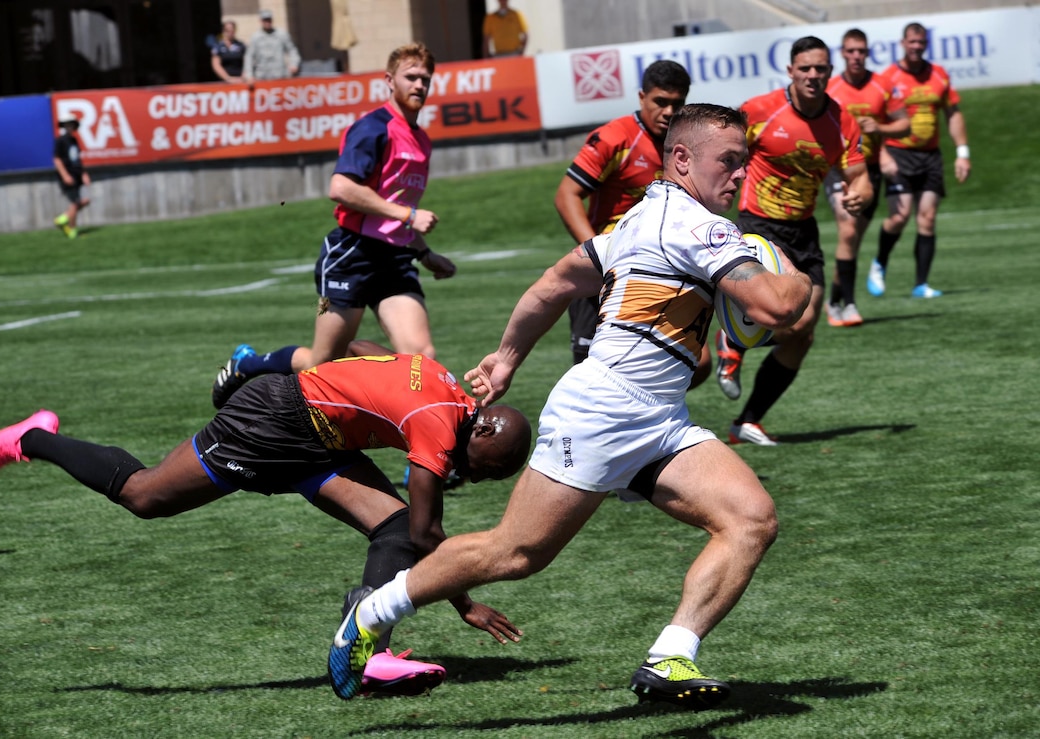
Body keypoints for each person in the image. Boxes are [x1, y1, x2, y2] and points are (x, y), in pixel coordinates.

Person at [327, 104, 813, 707]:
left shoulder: (643, 217)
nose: (741, 176)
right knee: (515, 552)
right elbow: (776, 307)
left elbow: (557, 282)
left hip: (658, 417)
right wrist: (794, 268)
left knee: (750, 518)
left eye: (744, 163)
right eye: (730, 162)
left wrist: (507, 357)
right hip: (605, 412)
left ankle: (670, 659)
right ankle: (368, 615)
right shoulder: (699, 227)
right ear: (682, 159)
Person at [0, 344, 532, 697]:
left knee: (390, 526)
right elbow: (428, 535)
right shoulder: (438, 427)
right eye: (485, 469)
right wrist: (466, 602)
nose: (473, 476)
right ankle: (33, 437)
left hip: (320, 438)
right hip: (271, 422)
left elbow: (365, 350)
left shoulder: (443, 383)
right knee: (146, 496)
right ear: (482, 430)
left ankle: (372, 648)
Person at [212, 43, 456, 410]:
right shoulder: (373, 128)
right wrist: (408, 217)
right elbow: (340, 188)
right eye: (411, 77)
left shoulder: (421, 139)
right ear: (389, 80)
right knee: (321, 363)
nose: (419, 85)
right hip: (349, 256)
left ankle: (419, 461)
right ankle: (247, 364)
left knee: (420, 357)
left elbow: (394, 205)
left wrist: (423, 251)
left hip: (395, 259)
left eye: (426, 78)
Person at [715, 36, 871, 446]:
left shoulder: (842, 120)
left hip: (803, 229)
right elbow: (723, 151)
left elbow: (860, 177)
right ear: (791, 71)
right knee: (777, 313)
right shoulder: (761, 110)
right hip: (759, 225)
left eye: (821, 68)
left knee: (803, 330)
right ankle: (732, 339)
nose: (813, 76)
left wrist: (862, 193)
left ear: (830, 72)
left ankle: (746, 420)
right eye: (805, 68)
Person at [555, 59, 703, 377]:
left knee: (696, 364)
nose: (668, 112)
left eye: (676, 104)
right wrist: (597, 256)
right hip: (604, 272)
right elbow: (566, 196)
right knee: (590, 371)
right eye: (660, 102)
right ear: (641, 97)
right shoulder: (614, 138)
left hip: (657, 272)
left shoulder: (687, 145)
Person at [867, 22, 971, 299]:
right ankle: (880, 263)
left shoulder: (938, 74)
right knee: (899, 218)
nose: (916, 46)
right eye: (911, 42)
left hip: (931, 156)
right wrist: (883, 154)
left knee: (927, 218)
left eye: (921, 42)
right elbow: (875, 123)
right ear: (903, 43)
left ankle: (921, 284)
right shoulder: (888, 78)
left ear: (926, 44)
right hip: (898, 154)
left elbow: (953, 114)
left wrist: (962, 152)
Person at [823, 28, 910, 327]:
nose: (856, 56)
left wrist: (880, 130)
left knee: (853, 240)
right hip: (839, 170)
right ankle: (848, 305)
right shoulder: (831, 88)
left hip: (868, 171)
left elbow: (905, 126)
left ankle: (833, 300)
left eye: (861, 50)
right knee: (848, 232)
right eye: (851, 51)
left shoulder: (883, 86)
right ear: (843, 53)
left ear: (867, 53)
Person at [52, 118, 90, 239]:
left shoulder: (74, 140)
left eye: (72, 125)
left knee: (84, 201)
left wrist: (83, 174)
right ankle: (72, 231)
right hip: (68, 176)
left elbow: (77, 159)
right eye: (67, 125)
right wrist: (65, 175)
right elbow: (57, 159)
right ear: (64, 126)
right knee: (75, 203)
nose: (70, 127)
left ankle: (62, 219)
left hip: (76, 175)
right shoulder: (60, 141)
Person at [242, 9, 300, 83]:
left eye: (269, 20)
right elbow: (249, 56)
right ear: (261, 21)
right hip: (262, 77)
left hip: (280, 76)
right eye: (265, 20)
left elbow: (292, 50)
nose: (267, 22)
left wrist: (294, 64)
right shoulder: (255, 37)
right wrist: (249, 75)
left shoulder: (281, 34)